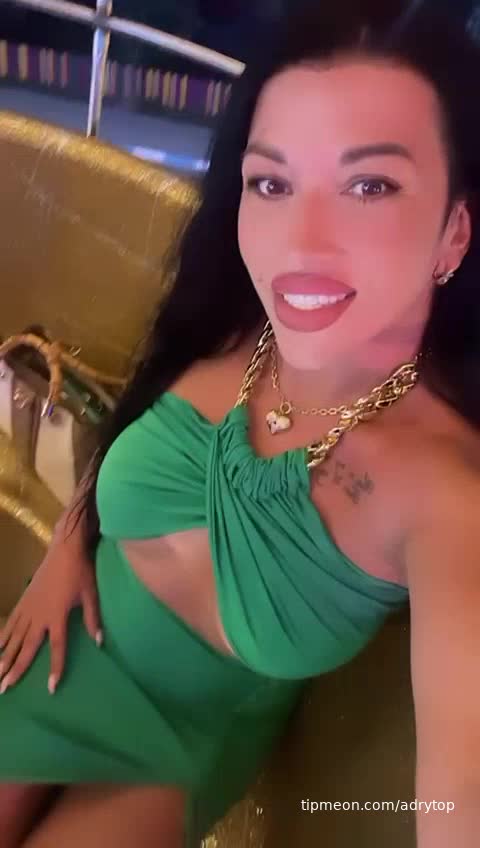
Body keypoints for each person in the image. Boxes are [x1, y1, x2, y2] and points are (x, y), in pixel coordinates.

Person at [1, 0, 480, 845]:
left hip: (182, 747)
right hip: (62, 646)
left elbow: (460, 793)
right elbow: (139, 403)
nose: (301, 241)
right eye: (271, 182)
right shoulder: (237, 319)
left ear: (454, 232)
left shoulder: (446, 495)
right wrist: (67, 546)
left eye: (370, 186)